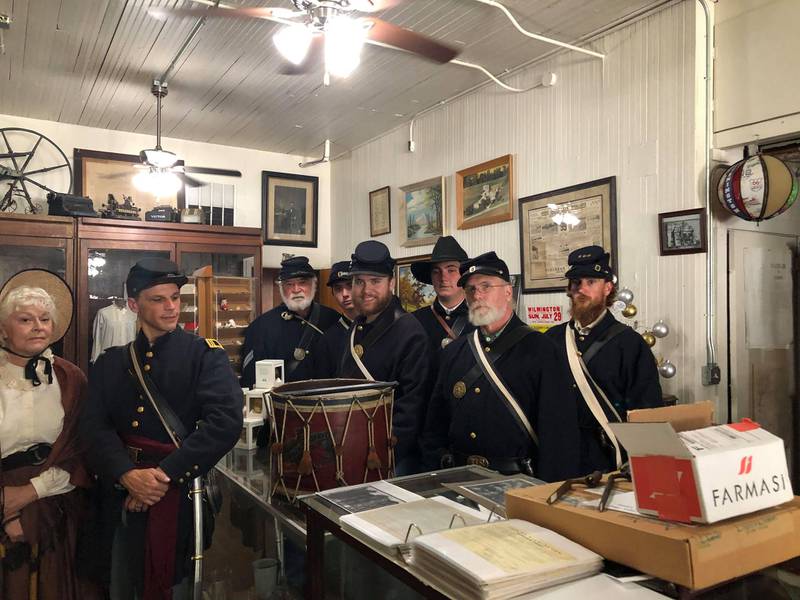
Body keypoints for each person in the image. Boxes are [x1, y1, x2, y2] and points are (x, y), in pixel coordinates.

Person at [81, 258, 243, 599]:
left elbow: (224, 423)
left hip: (178, 492)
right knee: (121, 582)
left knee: (175, 585)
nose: (171, 307)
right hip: (119, 494)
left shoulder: (205, 355)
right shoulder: (111, 362)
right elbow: (94, 426)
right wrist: (126, 475)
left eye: (175, 297)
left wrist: (162, 477)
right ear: (133, 304)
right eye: (158, 299)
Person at [421, 252, 580, 482]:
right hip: (459, 481)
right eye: (471, 289)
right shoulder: (454, 353)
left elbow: (559, 434)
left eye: (486, 286)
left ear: (508, 292)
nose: (477, 295)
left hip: (518, 483)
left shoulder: (542, 350)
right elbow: (434, 427)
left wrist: (549, 493)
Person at [0, 270, 97, 599]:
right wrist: (6, 508)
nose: (38, 326)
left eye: (44, 318)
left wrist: (30, 492)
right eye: (25, 319)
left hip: (58, 509)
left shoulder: (71, 379)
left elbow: (81, 449)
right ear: (3, 329)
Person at [545, 245, 663, 474]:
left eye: (591, 282)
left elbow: (646, 412)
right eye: (576, 283)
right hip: (558, 457)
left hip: (607, 458)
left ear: (608, 287)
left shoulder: (630, 344)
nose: (581, 289)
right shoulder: (552, 340)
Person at [337, 241, 432, 476]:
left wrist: (380, 456)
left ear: (391, 283)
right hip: (353, 447)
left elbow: (411, 408)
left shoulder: (410, 332)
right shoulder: (357, 326)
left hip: (387, 458)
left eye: (375, 281)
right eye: (359, 281)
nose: (365, 289)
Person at [240, 256, 340, 387]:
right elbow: (250, 380)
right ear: (281, 289)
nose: (296, 289)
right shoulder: (261, 327)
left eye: (302, 282)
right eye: (289, 284)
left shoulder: (332, 319)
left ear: (314, 284)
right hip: (281, 405)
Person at [411, 236, 475, 358]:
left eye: (451, 270)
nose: (443, 278)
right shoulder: (414, 321)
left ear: (464, 275)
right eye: (436, 271)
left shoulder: (483, 319)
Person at [312, 260, 359, 378]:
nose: (344, 294)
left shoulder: (382, 327)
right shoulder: (328, 339)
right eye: (338, 288)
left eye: (350, 285)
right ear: (332, 293)